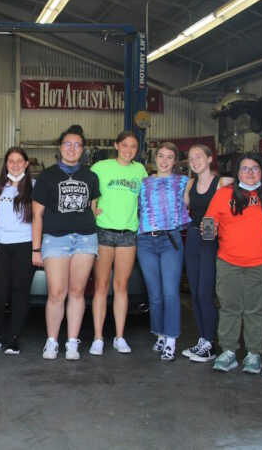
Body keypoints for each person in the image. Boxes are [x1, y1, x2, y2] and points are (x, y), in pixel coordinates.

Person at [32, 126, 100, 360]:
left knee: (77, 292)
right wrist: (36, 248)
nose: (72, 148)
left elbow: (92, 207)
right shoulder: (47, 176)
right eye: (68, 144)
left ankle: (72, 342)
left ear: (83, 149)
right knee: (56, 293)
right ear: (60, 147)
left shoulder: (90, 176)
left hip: (85, 239)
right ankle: (51, 341)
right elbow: (37, 215)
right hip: (55, 240)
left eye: (77, 145)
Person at [205, 153, 262, 374]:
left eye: (255, 168)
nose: (250, 173)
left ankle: (254, 354)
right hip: (228, 262)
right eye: (245, 168)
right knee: (230, 308)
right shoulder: (224, 194)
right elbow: (209, 220)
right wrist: (209, 232)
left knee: (256, 309)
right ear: (237, 173)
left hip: (261, 263)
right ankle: (229, 352)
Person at [89, 130, 147, 355]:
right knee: (101, 286)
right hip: (103, 231)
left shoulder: (140, 170)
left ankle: (119, 337)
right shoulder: (101, 167)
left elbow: (146, 200)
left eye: (133, 146)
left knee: (121, 286)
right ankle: (98, 337)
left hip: (127, 234)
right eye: (125, 145)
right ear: (116, 145)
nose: (129, 150)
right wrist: (91, 210)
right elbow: (88, 193)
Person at [136, 142, 191, 361]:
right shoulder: (143, 183)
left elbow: (212, 184)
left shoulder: (183, 182)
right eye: (161, 156)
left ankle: (171, 340)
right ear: (155, 158)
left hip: (171, 241)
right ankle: (159, 335)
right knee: (155, 295)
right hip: (146, 242)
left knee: (170, 292)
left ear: (175, 161)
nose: (165, 161)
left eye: (170, 157)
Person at [0, 147, 35, 355]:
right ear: (6, 164)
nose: (15, 164)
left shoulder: (34, 187)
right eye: (11, 161)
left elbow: (40, 218)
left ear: (26, 164)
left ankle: (13, 338)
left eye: (19, 160)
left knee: (20, 293)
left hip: (24, 245)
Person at [182, 145, 233, 362]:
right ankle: (203, 340)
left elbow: (248, 186)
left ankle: (210, 344)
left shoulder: (223, 182)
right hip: (192, 238)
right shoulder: (190, 184)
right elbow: (181, 209)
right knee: (194, 294)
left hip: (210, 239)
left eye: (199, 157)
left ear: (210, 159)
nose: (195, 161)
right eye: (191, 158)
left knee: (205, 294)